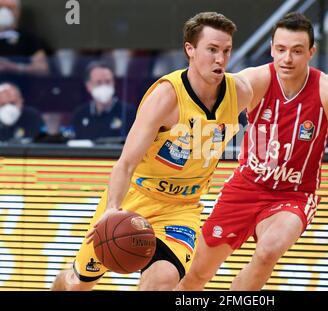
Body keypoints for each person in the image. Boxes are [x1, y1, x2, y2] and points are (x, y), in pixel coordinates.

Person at [175, 12, 328, 291]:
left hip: (294, 194)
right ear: (271, 49)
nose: (287, 59)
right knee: (197, 274)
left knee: (268, 251)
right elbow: (210, 97)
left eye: (296, 51)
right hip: (245, 187)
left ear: (311, 52)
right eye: (280, 50)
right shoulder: (255, 81)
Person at [51, 12, 253, 291]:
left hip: (181, 209)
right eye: (212, 50)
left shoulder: (240, 92)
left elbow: (272, 89)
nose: (220, 58)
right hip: (137, 198)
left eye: (226, 50)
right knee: (77, 283)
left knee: (162, 281)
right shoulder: (166, 97)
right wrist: (112, 209)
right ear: (190, 50)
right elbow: (126, 163)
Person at [70, 61, 137, 142]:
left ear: (114, 83)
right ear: (88, 86)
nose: (104, 86)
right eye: (99, 82)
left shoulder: (128, 113)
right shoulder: (80, 114)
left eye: (108, 81)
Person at [0, 0, 49, 76]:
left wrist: (14, 67)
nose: (4, 12)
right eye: (0, 8)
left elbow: (42, 68)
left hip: (19, 84)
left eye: (10, 8)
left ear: (18, 12)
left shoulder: (29, 38)